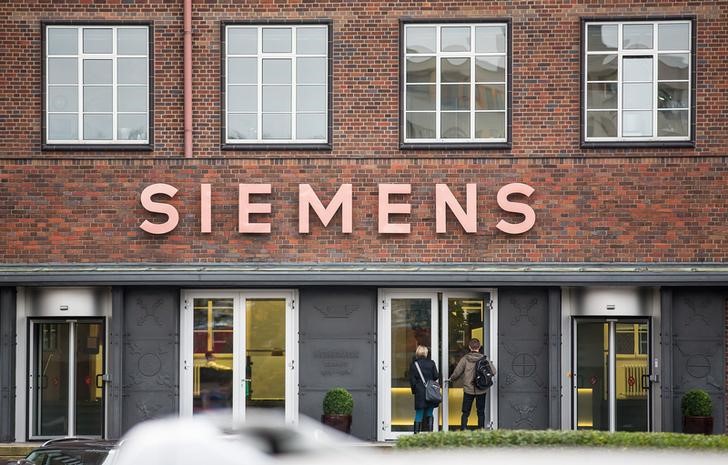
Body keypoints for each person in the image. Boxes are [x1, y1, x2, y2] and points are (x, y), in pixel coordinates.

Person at [448, 338, 494, 430]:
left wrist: (451, 379)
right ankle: (481, 430)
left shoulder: (465, 359)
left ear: (469, 347)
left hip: (468, 389)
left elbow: (457, 372)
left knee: (465, 411)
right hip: (481, 389)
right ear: (479, 347)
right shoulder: (484, 358)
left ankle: (463, 429)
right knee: (480, 411)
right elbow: (493, 371)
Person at [409, 344, 439, 433]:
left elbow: (412, 381)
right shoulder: (431, 363)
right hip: (431, 391)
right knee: (430, 413)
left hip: (419, 392)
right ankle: (430, 435)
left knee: (419, 414)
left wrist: (415, 391)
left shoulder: (414, 365)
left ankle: (416, 436)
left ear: (417, 353)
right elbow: (436, 376)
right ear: (426, 353)